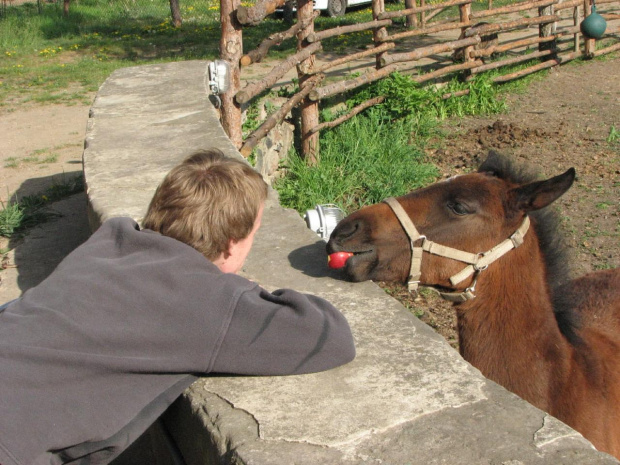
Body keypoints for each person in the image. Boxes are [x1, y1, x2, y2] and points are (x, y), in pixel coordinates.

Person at [0, 149, 355, 465]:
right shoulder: (208, 302)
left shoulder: (109, 241)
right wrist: (243, 291)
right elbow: (331, 337)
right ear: (232, 245)